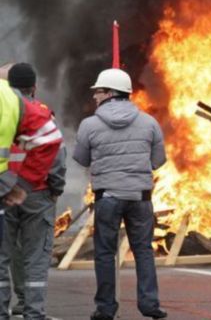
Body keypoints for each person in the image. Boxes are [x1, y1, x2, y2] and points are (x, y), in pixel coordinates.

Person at [72, 68, 167, 320]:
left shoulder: (89, 124)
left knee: (104, 253)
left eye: (98, 91)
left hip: (108, 198)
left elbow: (81, 159)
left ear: (111, 93)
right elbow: (158, 160)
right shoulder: (149, 122)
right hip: (140, 198)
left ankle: (105, 308)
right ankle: (150, 304)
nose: (94, 96)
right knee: (143, 250)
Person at [0, 63, 66, 320]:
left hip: (5, 193)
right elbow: (56, 155)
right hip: (35, 193)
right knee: (36, 257)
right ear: (34, 87)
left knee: (3, 256)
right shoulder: (39, 113)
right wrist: (55, 188)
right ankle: (33, 312)